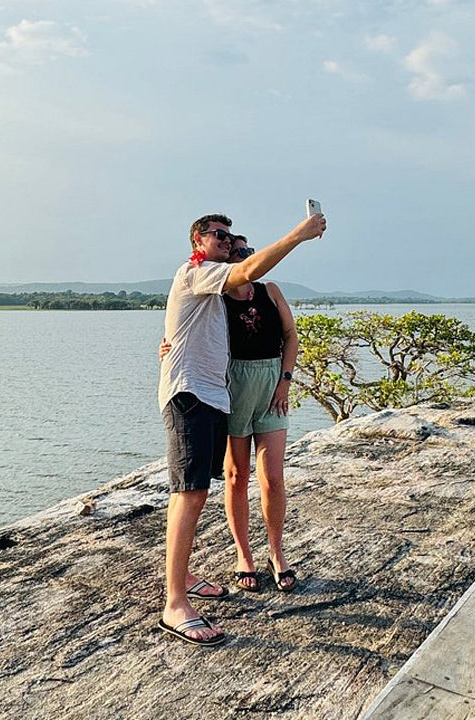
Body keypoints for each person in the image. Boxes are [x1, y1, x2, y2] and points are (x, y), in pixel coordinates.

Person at [157, 211, 326, 646]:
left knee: (194, 492)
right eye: (218, 235)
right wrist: (299, 235)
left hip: (213, 395)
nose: (227, 241)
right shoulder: (196, 271)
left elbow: (196, 327)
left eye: (230, 237)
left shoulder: (216, 290)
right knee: (190, 492)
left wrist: (169, 342)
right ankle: (175, 603)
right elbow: (245, 272)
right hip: (191, 395)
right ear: (197, 240)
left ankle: (184, 577)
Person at [161, 235, 300, 593]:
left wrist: (284, 382)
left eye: (247, 251)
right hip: (232, 385)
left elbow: (290, 336)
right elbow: (187, 328)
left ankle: (277, 553)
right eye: (238, 252)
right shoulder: (216, 296)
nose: (244, 256)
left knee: (273, 476)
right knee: (237, 475)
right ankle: (244, 555)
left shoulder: (270, 291)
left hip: (271, 383)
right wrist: (166, 347)